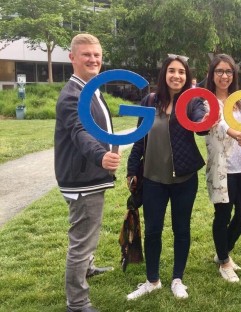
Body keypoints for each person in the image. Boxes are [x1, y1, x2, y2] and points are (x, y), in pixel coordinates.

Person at [126, 55, 207, 300]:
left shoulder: (191, 102)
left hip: (184, 179)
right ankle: (152, 280)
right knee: (153, 231)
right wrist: (131, 169)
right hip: (152, 178)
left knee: (181, 229)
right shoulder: (150, 101)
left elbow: (202, 124)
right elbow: (140, 137)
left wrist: (204, 117)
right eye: (172, 71)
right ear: (164, 74)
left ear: (187, 77)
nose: (176, 76)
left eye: (181, 72)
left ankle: (177, 279)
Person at [55, 33, 120, 312]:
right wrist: (100, 155)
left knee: (87, 234)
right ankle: (78, 302)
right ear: (72, 58)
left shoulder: (90, 88)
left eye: (97, 55)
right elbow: (80, 132)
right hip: (84, 178)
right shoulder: (73, 95)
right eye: (86, 55)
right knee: (82, 240)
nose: (93, 59)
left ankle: (88, 268)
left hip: (89, 175)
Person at [204, 54, 241, 283]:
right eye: (219, 71)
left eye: (228, 71)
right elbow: (214, 124)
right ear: (212, 74)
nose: (224, 76)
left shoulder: (237, 100)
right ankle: (224, 261)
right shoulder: (206, 101)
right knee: (223, 215)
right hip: (222, 168)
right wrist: (235, 134)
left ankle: (222, 251)